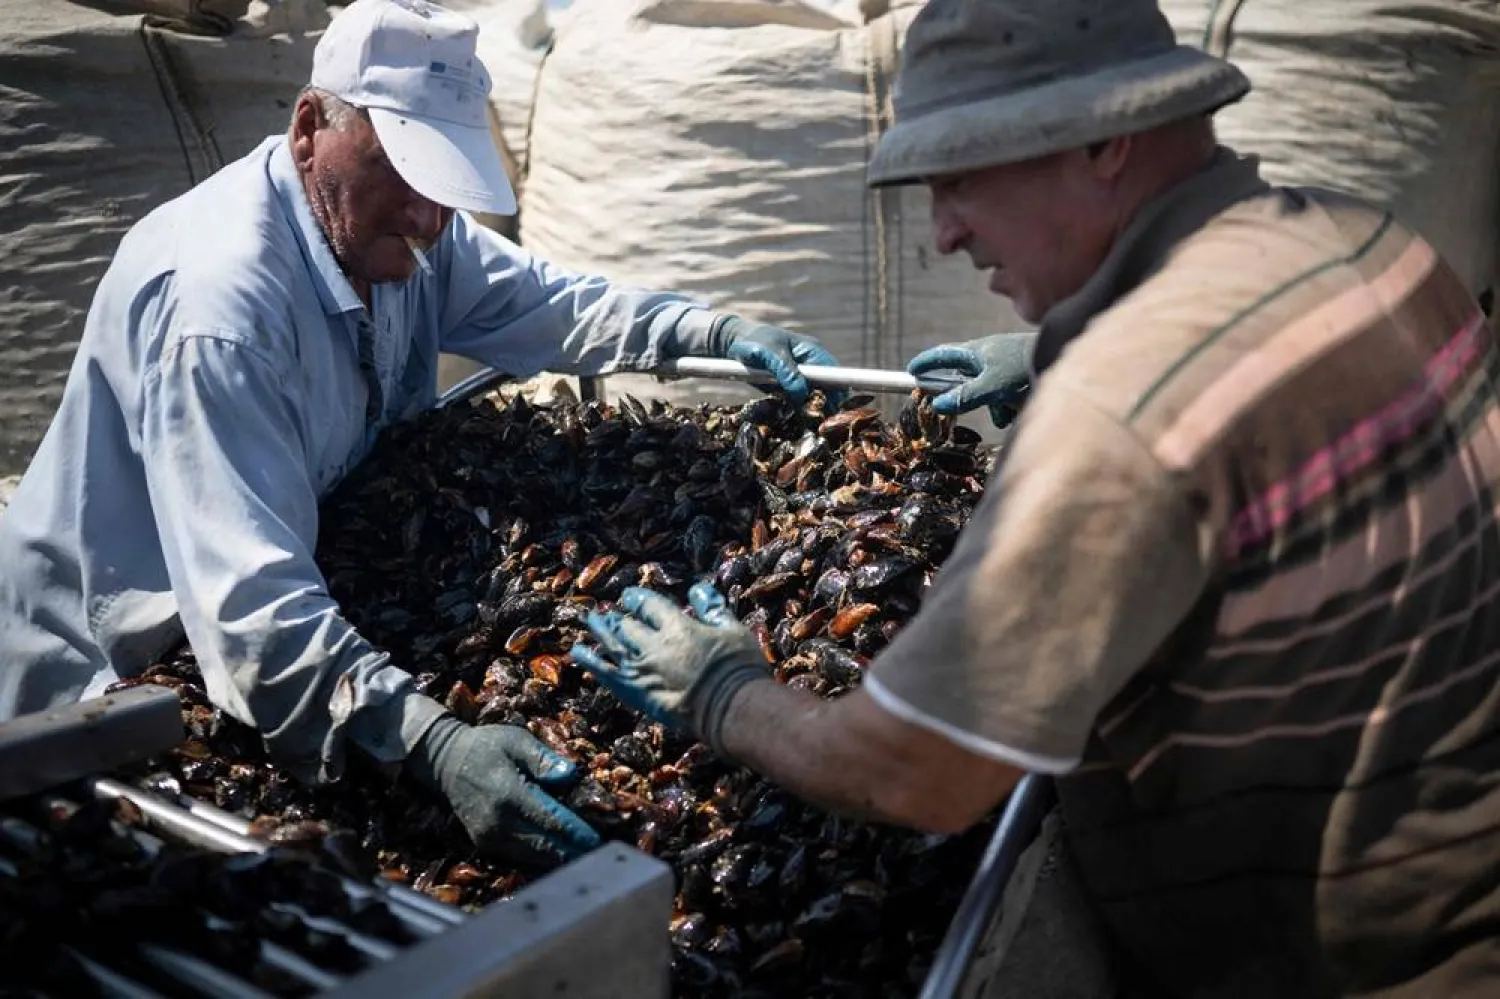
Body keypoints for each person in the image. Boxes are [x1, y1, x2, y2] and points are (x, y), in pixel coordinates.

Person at [569, 0, 1500, 994]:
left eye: (961, 179)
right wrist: (1059, 347)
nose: (946, 232)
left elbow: (914, 773)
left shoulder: (1121, 410)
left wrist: (724, 694)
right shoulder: (1368, 241)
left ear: (1106, 142)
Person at [0, 0, 839, 863]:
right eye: (402, 171)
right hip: (105, 677)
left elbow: (546, 302)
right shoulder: (224, 313)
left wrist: (708, 333)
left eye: (446, 183)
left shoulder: (400, 232)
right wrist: (435, 741)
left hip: (282, 604)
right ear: (307, 130)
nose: (430, 215)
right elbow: (252, 607)